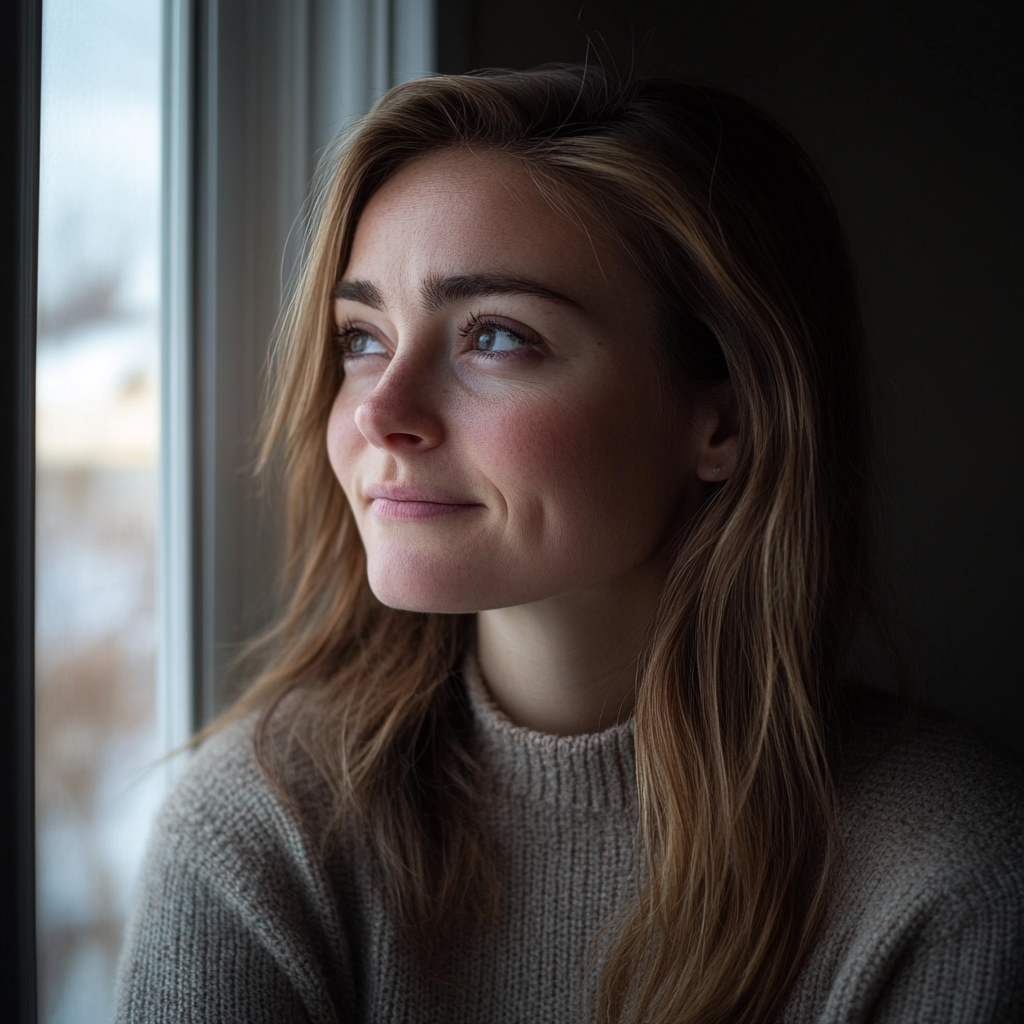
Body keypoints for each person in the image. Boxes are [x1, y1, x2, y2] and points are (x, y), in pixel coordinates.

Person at [114, 66, 1024, 1023]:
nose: (380, 413)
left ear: (727, 418)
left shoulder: (951, 879)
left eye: (497, 338)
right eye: (362, 337)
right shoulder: (263, 832)